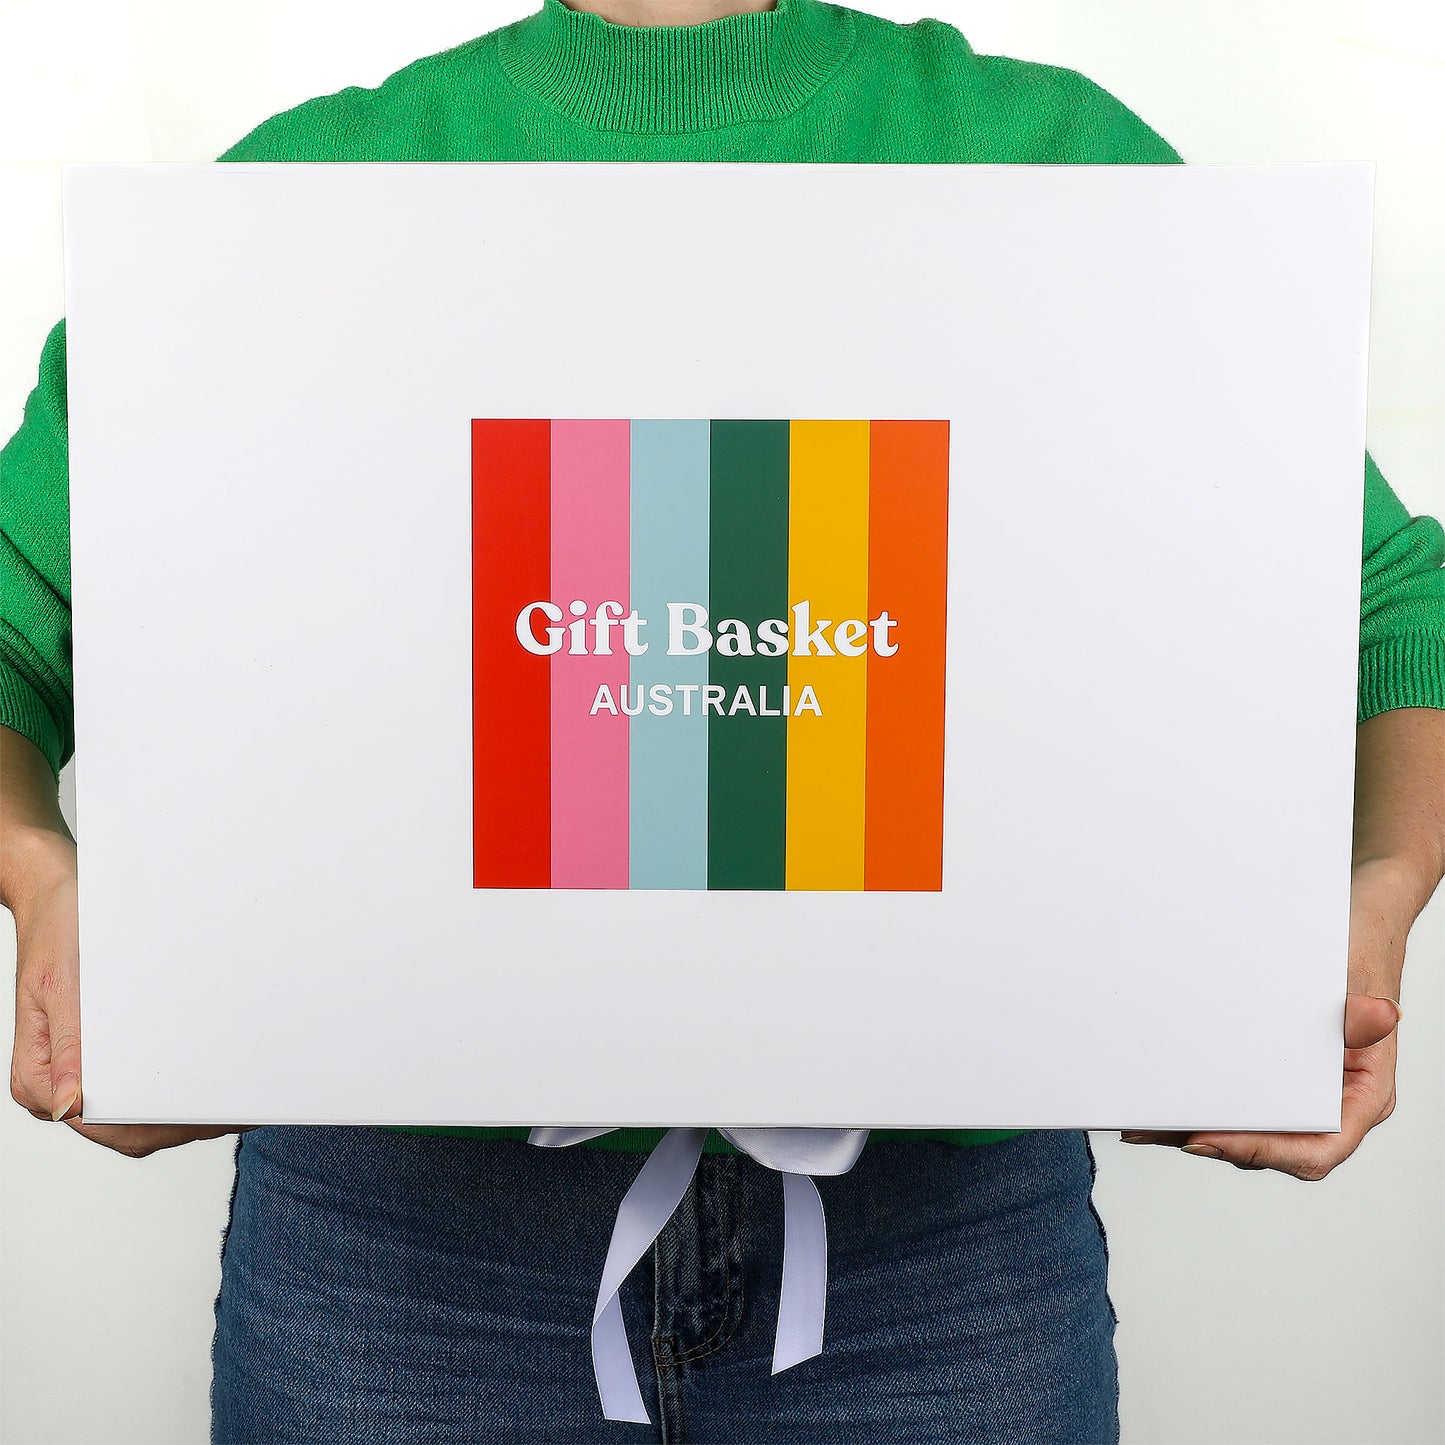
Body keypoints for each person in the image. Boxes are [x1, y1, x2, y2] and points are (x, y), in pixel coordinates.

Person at [3, 1, 1442, 1440]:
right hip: (400, 1253)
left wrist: (1377, 895)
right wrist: (46, 881)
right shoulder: (305, 202)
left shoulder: (1051, 167)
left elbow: (1392, 608)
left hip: (939, 1260)